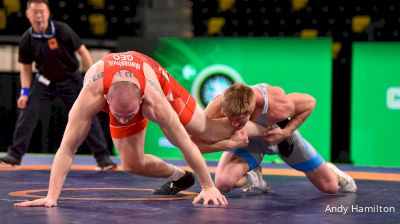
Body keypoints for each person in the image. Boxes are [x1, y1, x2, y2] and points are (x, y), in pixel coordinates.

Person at [12, 50, 252, 208]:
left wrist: (209, 186)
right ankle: (181, 178)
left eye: (129, 116)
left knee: (203, 129)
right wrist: (52, 196)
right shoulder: (90, 95)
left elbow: (185, 143)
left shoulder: (154, 101)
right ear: (105, 99)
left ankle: (257, 125)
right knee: (132, 163)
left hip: (152, 76)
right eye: (119, 116)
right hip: (121, 88)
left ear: (140, 102)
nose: (125, 121)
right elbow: (67, 148)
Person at [0, 0, 116, 171]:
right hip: (44, 81)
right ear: (28, 15)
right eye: (35, 12)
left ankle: (103, 159)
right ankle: (14, 156)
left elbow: (83, 51)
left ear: (48, 14)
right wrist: (24, 92)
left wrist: (92, 78)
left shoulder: (62, 30)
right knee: (28, 113)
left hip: (71, 80)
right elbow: (25, 68)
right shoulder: (27, 39)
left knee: (86, 116)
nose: (39, 16)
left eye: (42, 12)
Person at [203, 83, 357, 194]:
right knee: (223, 183)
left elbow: (310, 102)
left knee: (329, 188)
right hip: (249, 142)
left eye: (239, 120)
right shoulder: (217, 106)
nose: (234, 124)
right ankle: (254, 179)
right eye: (229, 118)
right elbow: (195, 145)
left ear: (250, 110)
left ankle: (330, 170)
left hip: (281, 138)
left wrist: (287, 131)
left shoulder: (276, 104)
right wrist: (228, 144)